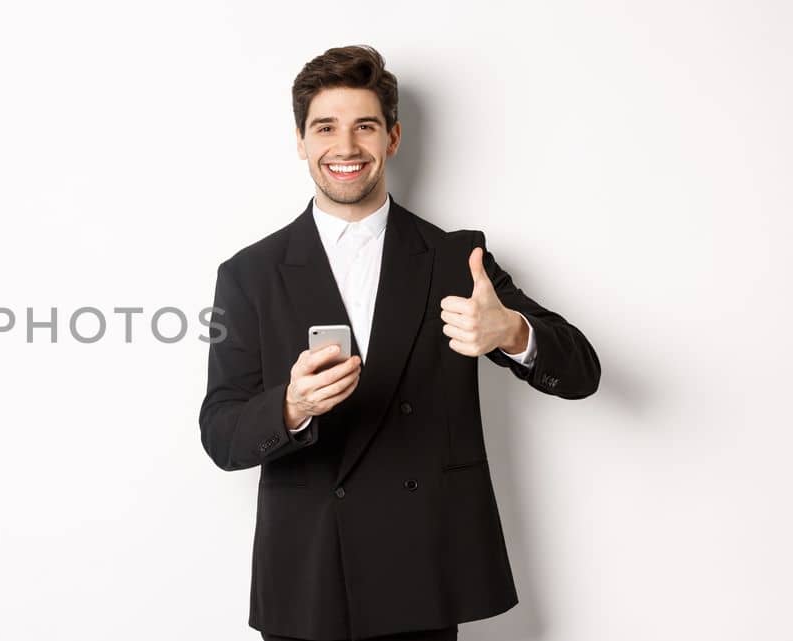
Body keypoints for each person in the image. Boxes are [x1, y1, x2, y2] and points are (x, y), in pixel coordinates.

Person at [197, 45, 601, 641]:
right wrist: (292, 406)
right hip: (306, 580)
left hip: (422, 571)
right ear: (301, 141)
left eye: (364, 126)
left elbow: (583, 372)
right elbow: (220, 433)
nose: (345, 146)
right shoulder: (249, 274)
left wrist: (514, 332)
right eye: (324, 127)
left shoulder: (455, 259)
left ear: (392, 137)